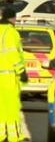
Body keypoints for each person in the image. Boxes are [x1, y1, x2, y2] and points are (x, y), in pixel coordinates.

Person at [0, 8, 31, 142]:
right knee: (12, 107)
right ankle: (14, 136)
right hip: (8, 76)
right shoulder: (11, 33)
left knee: (1, 107)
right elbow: (13, 53)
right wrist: (21, 71)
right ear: (12, 18)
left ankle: (1, 135)